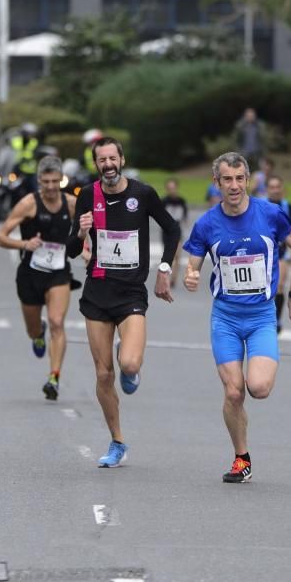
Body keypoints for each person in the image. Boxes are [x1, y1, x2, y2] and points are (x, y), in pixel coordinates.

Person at [182, 152, 291, 484]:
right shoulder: (207, 223)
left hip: (261, 317)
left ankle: (243, 448)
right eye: (227, 179)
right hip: (224, 317)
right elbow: (193, 264)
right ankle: (241, 458)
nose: (234, 185)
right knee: (234, 392)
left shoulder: (269, 214)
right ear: (217, 183)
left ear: (248, 180)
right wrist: (191, 275)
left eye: (240, 178)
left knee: (259, 388)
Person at [65, 137, 181, 468]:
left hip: (131, 293)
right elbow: (71, 250)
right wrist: (80, 233)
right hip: (98, 292)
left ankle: (129, 365)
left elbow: (172, 230)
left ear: (122, 159)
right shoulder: (87, 196)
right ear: (96, 164)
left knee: (128, 365)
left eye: (113, 158)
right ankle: (117, 441)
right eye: (102, 160)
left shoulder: (142, 194)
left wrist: (164, 267)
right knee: (103, 375)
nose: (108, 165)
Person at [0, 156, 77, 400]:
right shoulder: (28, 204)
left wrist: (84, 247)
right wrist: (24, 243)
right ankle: (37, 333)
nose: (51, 187)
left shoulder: (71, 203)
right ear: (39, 181)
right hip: (30, 273)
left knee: (57, 322)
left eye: (55, 181)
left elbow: (90, 229)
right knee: (33, 329)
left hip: (59, 272)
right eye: (46, 182)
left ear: (61, 180)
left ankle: (54, 377)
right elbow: (0, 237)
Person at [266, 174, 291, 331]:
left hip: (281, 253)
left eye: (278, 187)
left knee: (279, 286)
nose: (275, 190)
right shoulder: (260, 206)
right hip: (263, 254)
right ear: (267, 189)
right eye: (272, 187)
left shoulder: (287, 206)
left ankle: (276, 320)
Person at [161, 178, 189, 287]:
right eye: (169, 188)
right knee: (168, 256)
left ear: (176, 188)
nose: (172, 190)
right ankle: (166, 278)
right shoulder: (164, 201)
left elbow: (184, 217)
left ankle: (174, 278)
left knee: (177, 256)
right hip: (166, 231)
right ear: (167, 189)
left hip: (177, 231)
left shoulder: (181, 201)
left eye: (173, 188)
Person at [11, 122, 40, 196]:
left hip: (30, 172)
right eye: (29, 134)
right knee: (10, 188)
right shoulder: (16, 141)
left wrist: (26, 158)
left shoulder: (34, 142)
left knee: (34, 190)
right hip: (17, 169)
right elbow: (9, 151)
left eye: (32, 134)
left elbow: (35, 154)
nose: (31, 136)